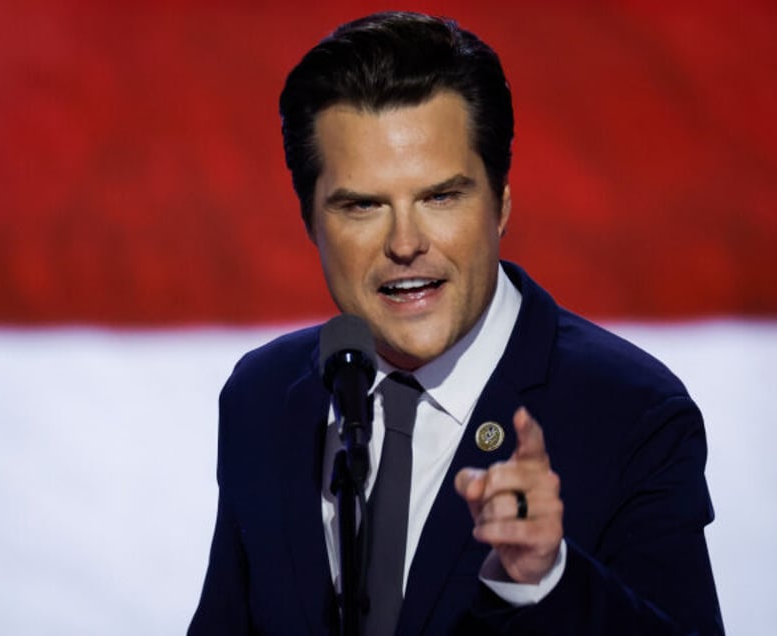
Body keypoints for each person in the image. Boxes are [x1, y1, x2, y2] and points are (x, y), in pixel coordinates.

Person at [188, 11, 723, 635]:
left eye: (441, 197)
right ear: (311, 222)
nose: (406, 243)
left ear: (501, 204)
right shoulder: (264, 398)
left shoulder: (632, 416)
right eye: (363, 205)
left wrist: (545, 580)